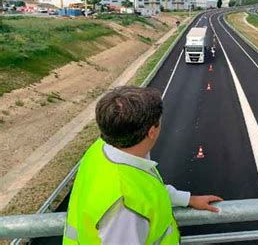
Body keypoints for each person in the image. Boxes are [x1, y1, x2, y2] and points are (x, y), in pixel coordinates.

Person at [64, 86, 223, 244]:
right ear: (151, 132)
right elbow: (136, 199)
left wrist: (188, 199)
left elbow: (147, 192)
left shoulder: (100, 149)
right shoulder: (124, 209)